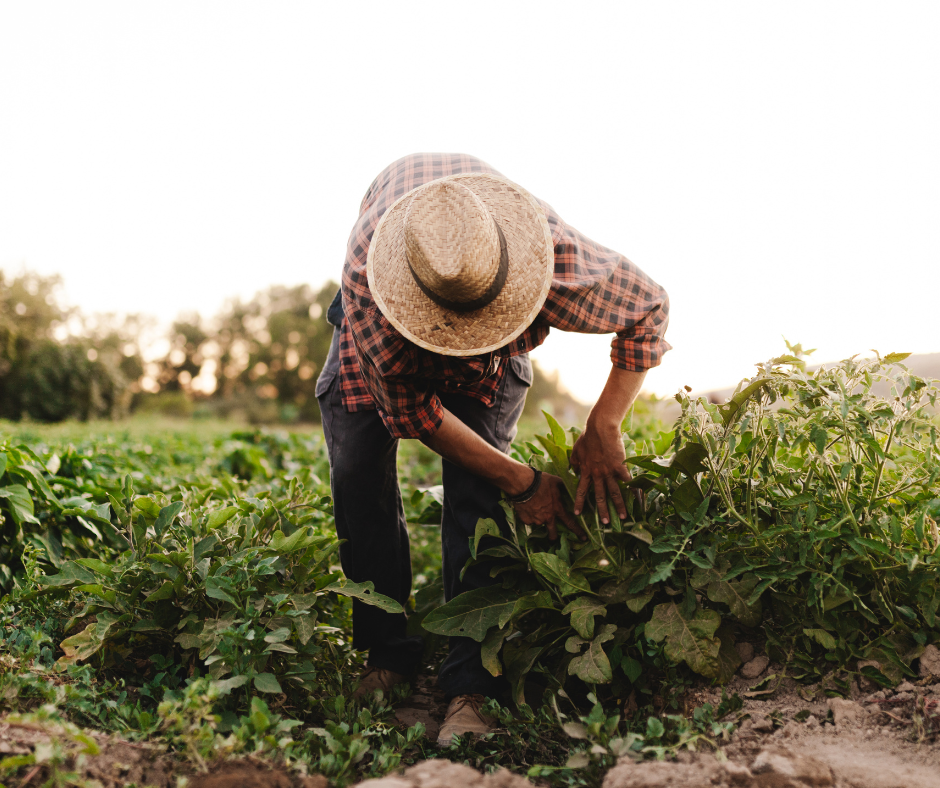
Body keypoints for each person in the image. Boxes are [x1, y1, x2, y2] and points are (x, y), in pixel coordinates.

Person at [315, 153, 670, 745]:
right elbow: (416, 415)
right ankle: (388, 651)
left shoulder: (549, 256)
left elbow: (649, 309)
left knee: (478, 500)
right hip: (382, 337)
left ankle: (470, 684)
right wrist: (525, 482)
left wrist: (605, 424)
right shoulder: (372, 291)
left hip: (495, 343)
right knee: (357, 476)